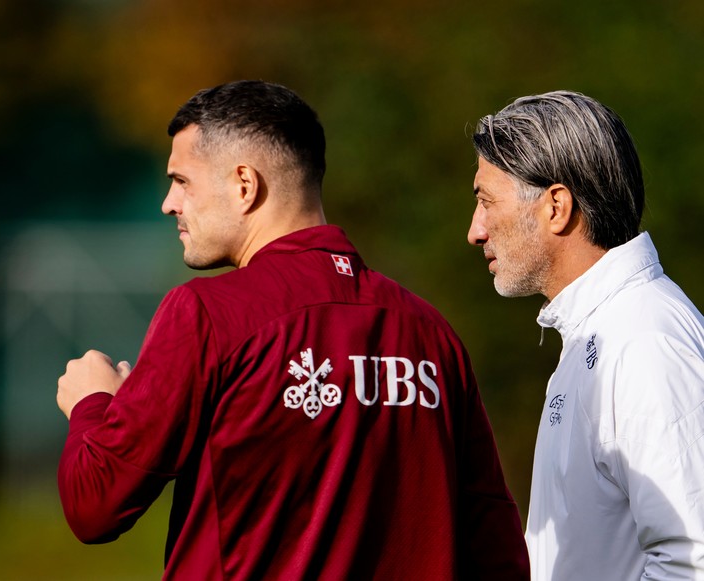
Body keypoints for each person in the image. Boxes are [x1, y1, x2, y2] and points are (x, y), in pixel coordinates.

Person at [57, 80, 529, 580]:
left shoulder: (208, 315)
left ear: (244, 184)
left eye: (182, 181)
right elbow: (497, 551)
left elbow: (95, 504)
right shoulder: (429, 332)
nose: (169, 203)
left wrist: (94, 406)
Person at [467, 90, 704, 580]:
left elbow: (693, 560)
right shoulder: (601, 332)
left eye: (487, 202)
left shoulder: (644, 337)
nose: (476, 230)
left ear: (556, 206)